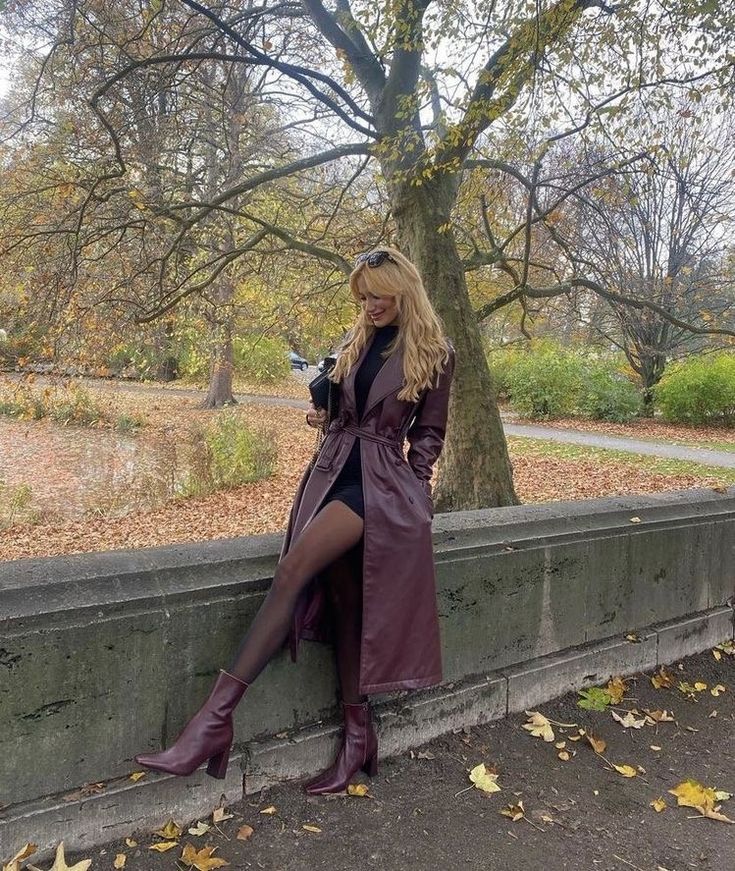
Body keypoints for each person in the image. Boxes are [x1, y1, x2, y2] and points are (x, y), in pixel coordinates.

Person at [134, 246, 455, 793]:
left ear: (403, 290)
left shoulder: (435, 352)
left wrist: (416, 493)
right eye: (363, 297)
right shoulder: (356, 339)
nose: (369, 305)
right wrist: (325, 413)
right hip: (330, 471)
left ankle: (213, 722)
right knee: (346, 606)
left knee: (291, 572)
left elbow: (429, 434)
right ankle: (359, 737)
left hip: (379, 488)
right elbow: (346, 404)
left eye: (378, 296)